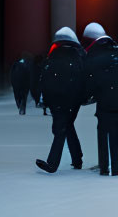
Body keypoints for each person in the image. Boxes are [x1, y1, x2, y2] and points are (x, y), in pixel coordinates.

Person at [84, 26, 118, 176]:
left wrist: (88, 96)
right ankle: (116, 169)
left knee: (103, 135)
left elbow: (94, 82)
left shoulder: (100, 59)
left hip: (106, 104)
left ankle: (104, 167)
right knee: (115, 138)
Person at [35, 31, 89, 174]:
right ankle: (77, 159)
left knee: (60, 130)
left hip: (57, 99)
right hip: (72, 100)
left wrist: (45, 99)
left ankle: (52, 164)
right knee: (67, 126)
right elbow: (83, 79)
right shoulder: (79, 56)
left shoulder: (52, 57)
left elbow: (45, 80)